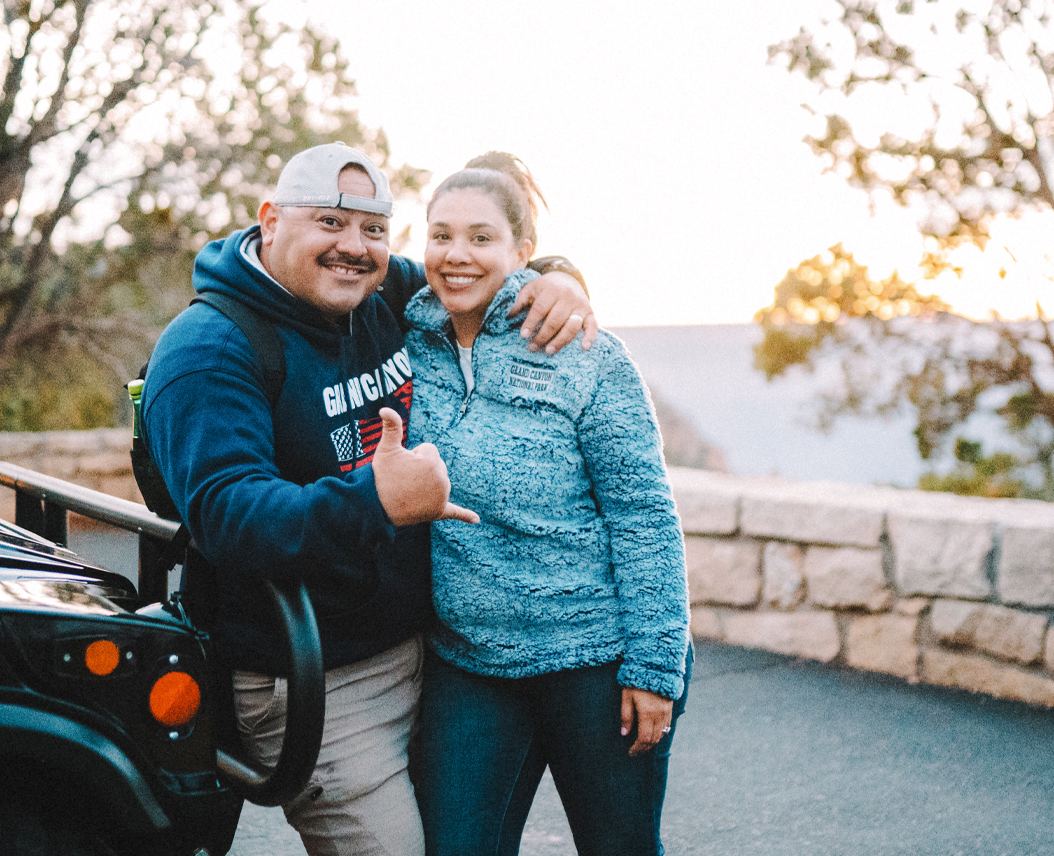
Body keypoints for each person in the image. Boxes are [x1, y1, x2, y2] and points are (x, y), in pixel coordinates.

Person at [137, 143, 597, 856]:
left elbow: (477, 276)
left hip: (430, 655)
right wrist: (376, 499)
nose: (353, 246)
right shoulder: (209, 348)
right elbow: (230, 516)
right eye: (329, 221)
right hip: (316, 681)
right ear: (270, 220)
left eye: (373, 228)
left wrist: (559, 278)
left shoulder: (383, 294)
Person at [406, 159, 690, 856]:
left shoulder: (585, 353)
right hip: (469, 666)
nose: (457, 254)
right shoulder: (405, 342)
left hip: (596, 662)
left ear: (522, 251)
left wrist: (655, 669)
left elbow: (643, 516)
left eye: (481, 238)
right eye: (441, 235)